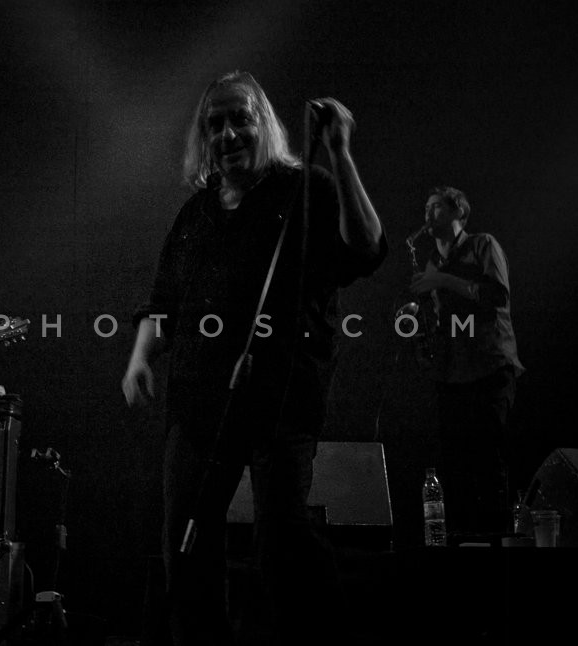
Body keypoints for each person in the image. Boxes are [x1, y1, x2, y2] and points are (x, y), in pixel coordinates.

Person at [122, 71, 386, 645]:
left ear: (263, 123)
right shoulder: (195, 215)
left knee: (283, 537)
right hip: (199, 403)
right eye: (214, 123)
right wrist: (139, 358)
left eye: (240, 118)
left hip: (282, 399)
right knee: (185, 544)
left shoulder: (304, 189)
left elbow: (366, 249)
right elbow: (162, 303)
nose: (227, 134)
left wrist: (340, 153)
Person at [410, 186, 524, 537]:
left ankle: (496, 544)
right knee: (455, 467)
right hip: (451, 372)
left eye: (436, 207)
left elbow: (497, 295)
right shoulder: (433, 262)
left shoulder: (482, 245)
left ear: (458, 211)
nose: (427, 215)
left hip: (489, 366)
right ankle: (461, 545)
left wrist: (443, 280)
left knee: (489, 461)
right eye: (426, 208)